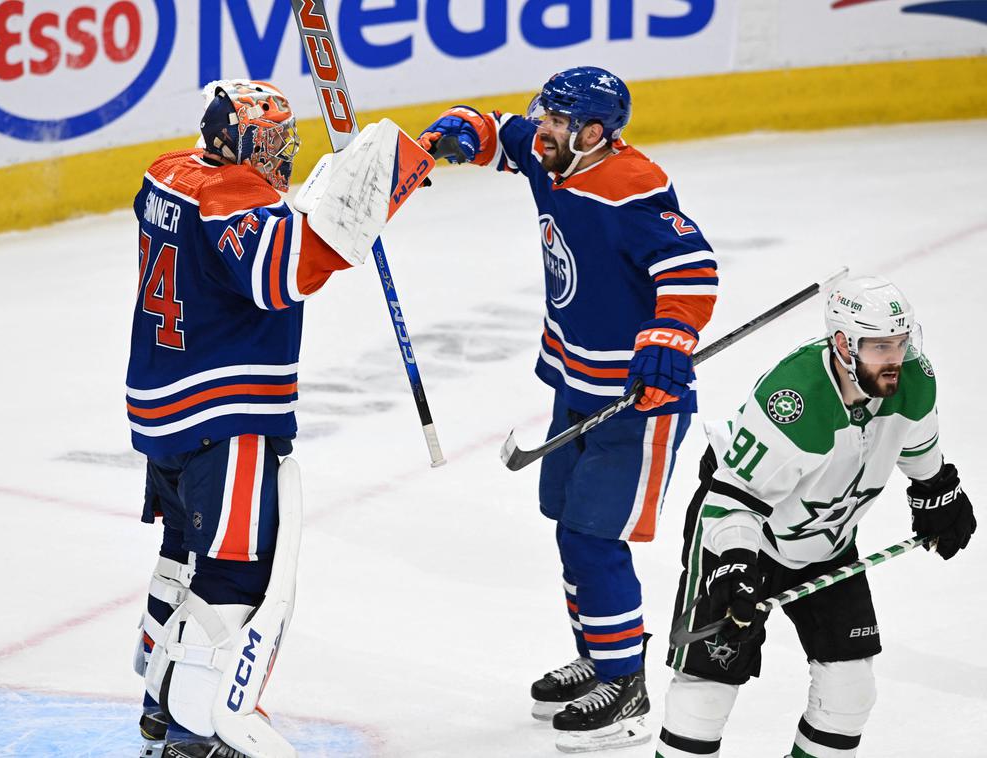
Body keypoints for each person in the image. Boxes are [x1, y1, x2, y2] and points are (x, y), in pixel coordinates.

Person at [418, 67, 719, 750]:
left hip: (637, 399)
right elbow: (501, 132)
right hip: (576, 382)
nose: (540, 128)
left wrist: (669, 338)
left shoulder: (629, 184)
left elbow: (691, 266)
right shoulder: (555, 155)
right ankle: (600, 655)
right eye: (543, 114)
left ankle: (626, 685)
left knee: (593, 538)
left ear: (591, 132)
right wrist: (459, 130)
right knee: (566, 522)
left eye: (555, 119)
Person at [125, 79, 427, 758]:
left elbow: (265, 227)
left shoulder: (168, 173)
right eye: (265, 140)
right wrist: (375, 193)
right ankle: (191, 733)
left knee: (182, 555)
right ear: (228, 139)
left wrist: (346, 192)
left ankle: (157, 704)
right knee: (234, 575)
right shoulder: (235, 195)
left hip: (164, 406)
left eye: (284, 139)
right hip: (222, 418)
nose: (279, 153)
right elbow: (283, 271)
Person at [657, 276, 976, 758]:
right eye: (880, 347)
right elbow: (732, 496)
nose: (895, 359)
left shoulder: (912, 378)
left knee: (850, 692)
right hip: (743, 534)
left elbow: (916, 443)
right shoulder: (794, 402)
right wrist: (735, 563)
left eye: (902, 343)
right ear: (843, 344)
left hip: (827, 539)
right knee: (706, 691)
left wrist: (935, 488)